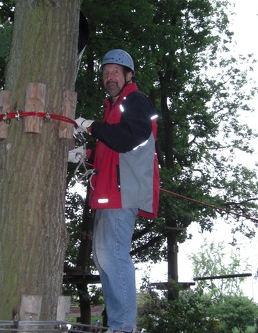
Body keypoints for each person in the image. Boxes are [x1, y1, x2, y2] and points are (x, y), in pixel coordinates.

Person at [70, 49, 160, 333]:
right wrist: (84, 153)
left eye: (116, 72)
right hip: (108, 192)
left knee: (114, 256)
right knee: (103, 256)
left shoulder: (135, 102)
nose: (109, 77)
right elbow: (111, 150)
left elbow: (128, 139)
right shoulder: (114, 108)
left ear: (128, 76)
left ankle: (123, 327)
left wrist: (92, 126)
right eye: (106, 72)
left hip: (123, 193)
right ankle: (117, 324)